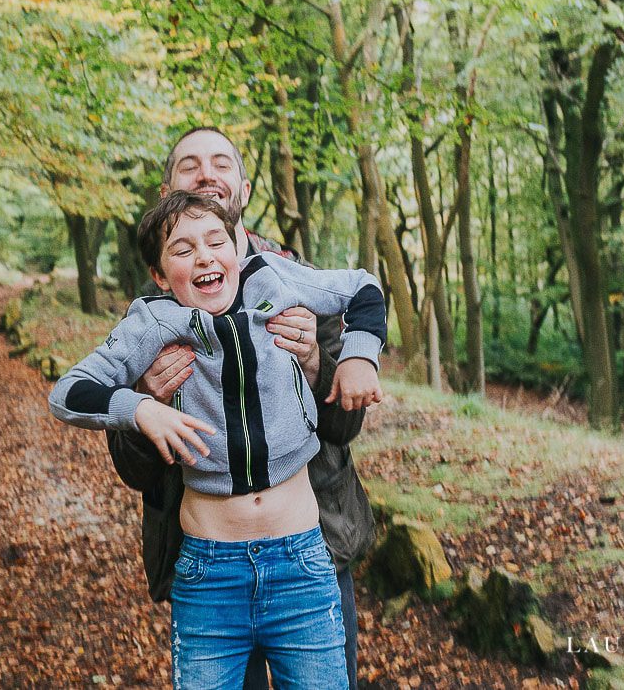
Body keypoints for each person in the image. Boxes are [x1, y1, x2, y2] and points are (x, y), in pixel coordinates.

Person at [50, 191, 385, 688]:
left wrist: (359, 355)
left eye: (216, 242)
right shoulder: (151, 322)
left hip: (302, 570)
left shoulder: (273, 278)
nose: (205, 256)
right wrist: (139, 407)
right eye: (183, 250)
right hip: (210, 578)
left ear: (238, 247)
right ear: (161, 275)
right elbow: (68, 392)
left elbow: (363, 289)